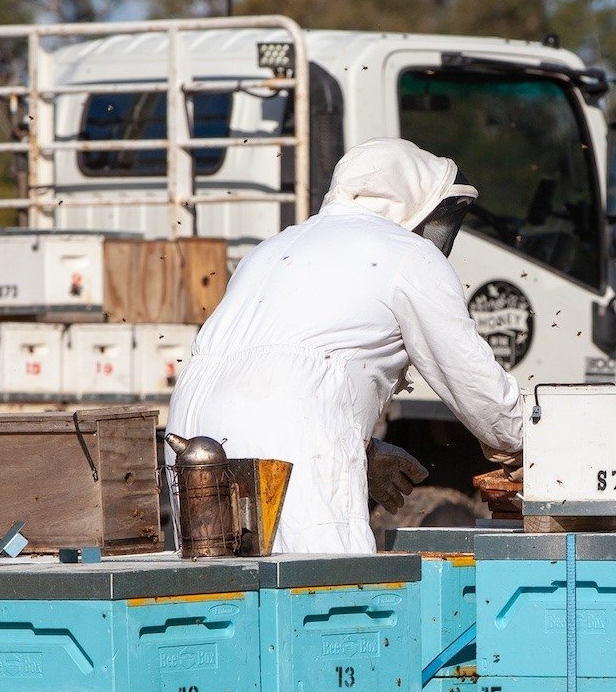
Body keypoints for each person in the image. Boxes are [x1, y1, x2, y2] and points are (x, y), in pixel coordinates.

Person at [168, 137, 525, 553]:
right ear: (415, 204)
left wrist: (366, 452)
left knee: (212, 589)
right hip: (288, 431)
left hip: (191, 428)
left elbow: (285, 362)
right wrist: (539, 445)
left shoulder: (272, 246)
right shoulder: (408, 254)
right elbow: (473, 383)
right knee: (324, 590)